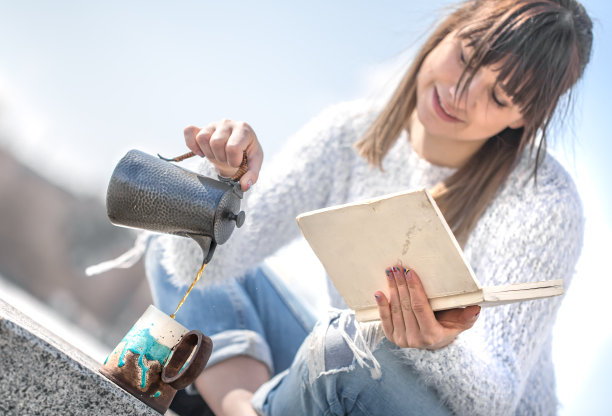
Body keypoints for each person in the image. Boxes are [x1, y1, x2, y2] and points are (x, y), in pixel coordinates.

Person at [144, 0, 593, 414]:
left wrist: (436, 346)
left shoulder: (544, 201)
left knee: (346, 344)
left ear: (524, 118)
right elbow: (198, 271)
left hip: (422, 400)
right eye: (467, 55)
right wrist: (223, 180)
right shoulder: (347, 134)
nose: (463, 92)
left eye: (498, 97)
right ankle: (242, 409)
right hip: (346, 371)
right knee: (179, 227)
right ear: (449, 28)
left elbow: (496, 396)